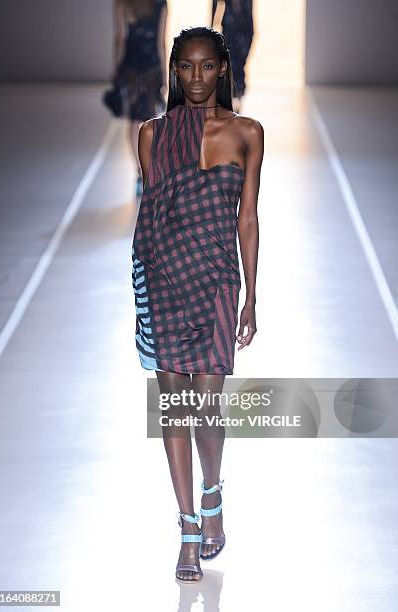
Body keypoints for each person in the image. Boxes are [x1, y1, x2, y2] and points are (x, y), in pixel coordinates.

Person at [131, 26, 264, 582]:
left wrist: (251, 293)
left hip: (215, 280)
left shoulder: (248, 133)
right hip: (165, 277)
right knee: (174, 411)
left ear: (223, 70)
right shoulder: (151, 134)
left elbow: (248, 218)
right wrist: (145, 285)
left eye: (207, 67)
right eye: (186, 67)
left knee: (207, 411)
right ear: (174, 70)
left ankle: (213, 490)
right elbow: (152, 214)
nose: (196, 78)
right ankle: (188, 527)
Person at [112, 0, 168, 198]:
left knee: (133, 123)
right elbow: (160, 41)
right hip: (151, 68)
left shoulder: (123, 3)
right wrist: (165, 74)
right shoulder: (160, 4)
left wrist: (116, 69)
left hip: (131, 68)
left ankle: (139, 172)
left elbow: (119, 38)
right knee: (149, 122)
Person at [211, 0, 254, 113]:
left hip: (243, 28)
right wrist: (211, 24)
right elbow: (215, 3)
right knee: (230, 63)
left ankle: (237, 97)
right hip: (230, 28)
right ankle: (232, 97)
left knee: (239, 64)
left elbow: (250, 14)